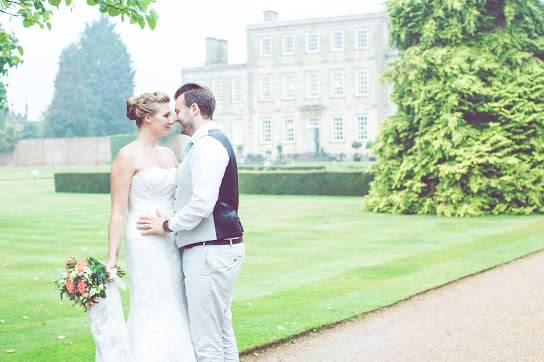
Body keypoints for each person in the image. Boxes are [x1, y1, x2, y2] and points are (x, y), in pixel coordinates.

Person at [137, 83, 245, 362]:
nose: (174, 117)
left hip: (210, 250)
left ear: (194, 109)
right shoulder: (203, 143)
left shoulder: (208, 145)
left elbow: (202, 204)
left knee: (206, 339)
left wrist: (167, 225)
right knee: (221, 331)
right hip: (216, 248)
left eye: (178, 110)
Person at [105, 91, 195, 361]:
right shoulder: (126, 156)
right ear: (147, 118)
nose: (173, 120)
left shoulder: (169, 154)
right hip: (144, 241)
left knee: (175, 301)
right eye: (166, 115)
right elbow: (118, 211)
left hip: (170, 236)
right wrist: (112, 257)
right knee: (150, 302)